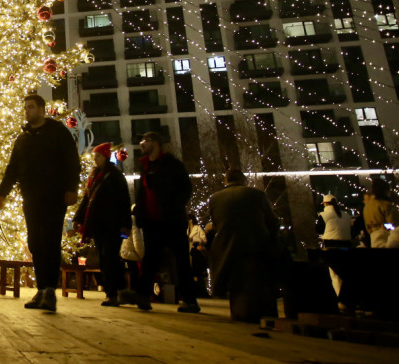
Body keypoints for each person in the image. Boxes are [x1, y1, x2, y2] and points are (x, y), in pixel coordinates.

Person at [0, 94, 80, 313]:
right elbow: (12, 169)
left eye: (31, 107)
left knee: (50, 242)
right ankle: (42, 289)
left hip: (54, 197)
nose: (27, 111)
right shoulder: (23, 139)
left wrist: (72, 188)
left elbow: (72, 161)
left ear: (42, 109)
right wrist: (1, 194)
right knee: (35, 243)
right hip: (31, 198)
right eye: (25, 108)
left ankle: (50, 290)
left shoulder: (58, 133)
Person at [133, 131, 199, 313]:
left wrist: (173, 207)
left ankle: (189, 300)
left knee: (181, 260)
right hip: (152, 222)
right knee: (149, 260)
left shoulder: (172, 165)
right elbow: (143, 194)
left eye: (145, 140)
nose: (142, 144)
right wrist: (140, 214)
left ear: (156, 143)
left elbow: (185, 188)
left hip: (172, 220)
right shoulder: (146, 167)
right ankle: (143, 296)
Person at [208, 169, 282, 322]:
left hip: (226, 248)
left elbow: (216, 224)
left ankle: (230, 299)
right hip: (256, 246)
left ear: (225, 181)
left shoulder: (215, 198)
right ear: (243, 180)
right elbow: (272, 221)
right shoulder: (257, 194)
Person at [71, 142, 131, 307]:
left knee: (109, 257)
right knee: (105, 259)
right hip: (98, 225)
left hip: (112, 224)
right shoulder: (94, 177)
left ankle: (114, 292)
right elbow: (87, 199)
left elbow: (124, 201)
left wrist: (125, 224)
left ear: (105, 157)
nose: (95, 159)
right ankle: (117, 291)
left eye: (97, 156)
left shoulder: (115, 176)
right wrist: (78, 218)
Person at [363, 178, 399, 248]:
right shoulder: (386, 205)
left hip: (374, 239)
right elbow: (393, 224)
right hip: (388, 239)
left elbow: (368, 227)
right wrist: (384, 226)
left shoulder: (366, 207)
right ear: (385, 191)